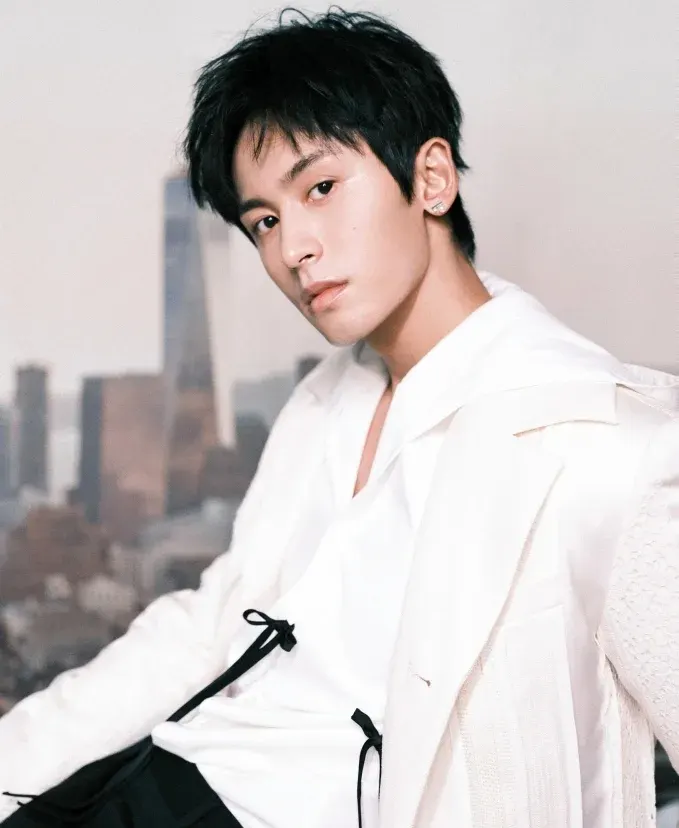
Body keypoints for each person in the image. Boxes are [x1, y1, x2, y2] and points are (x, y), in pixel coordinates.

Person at [1, 7, 678, 828]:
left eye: (320, 188)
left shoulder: (603, 444)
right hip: (172, 775)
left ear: (431, 180)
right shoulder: (324, 402)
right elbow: (214, 621)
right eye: (264, 221)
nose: (293, 249)